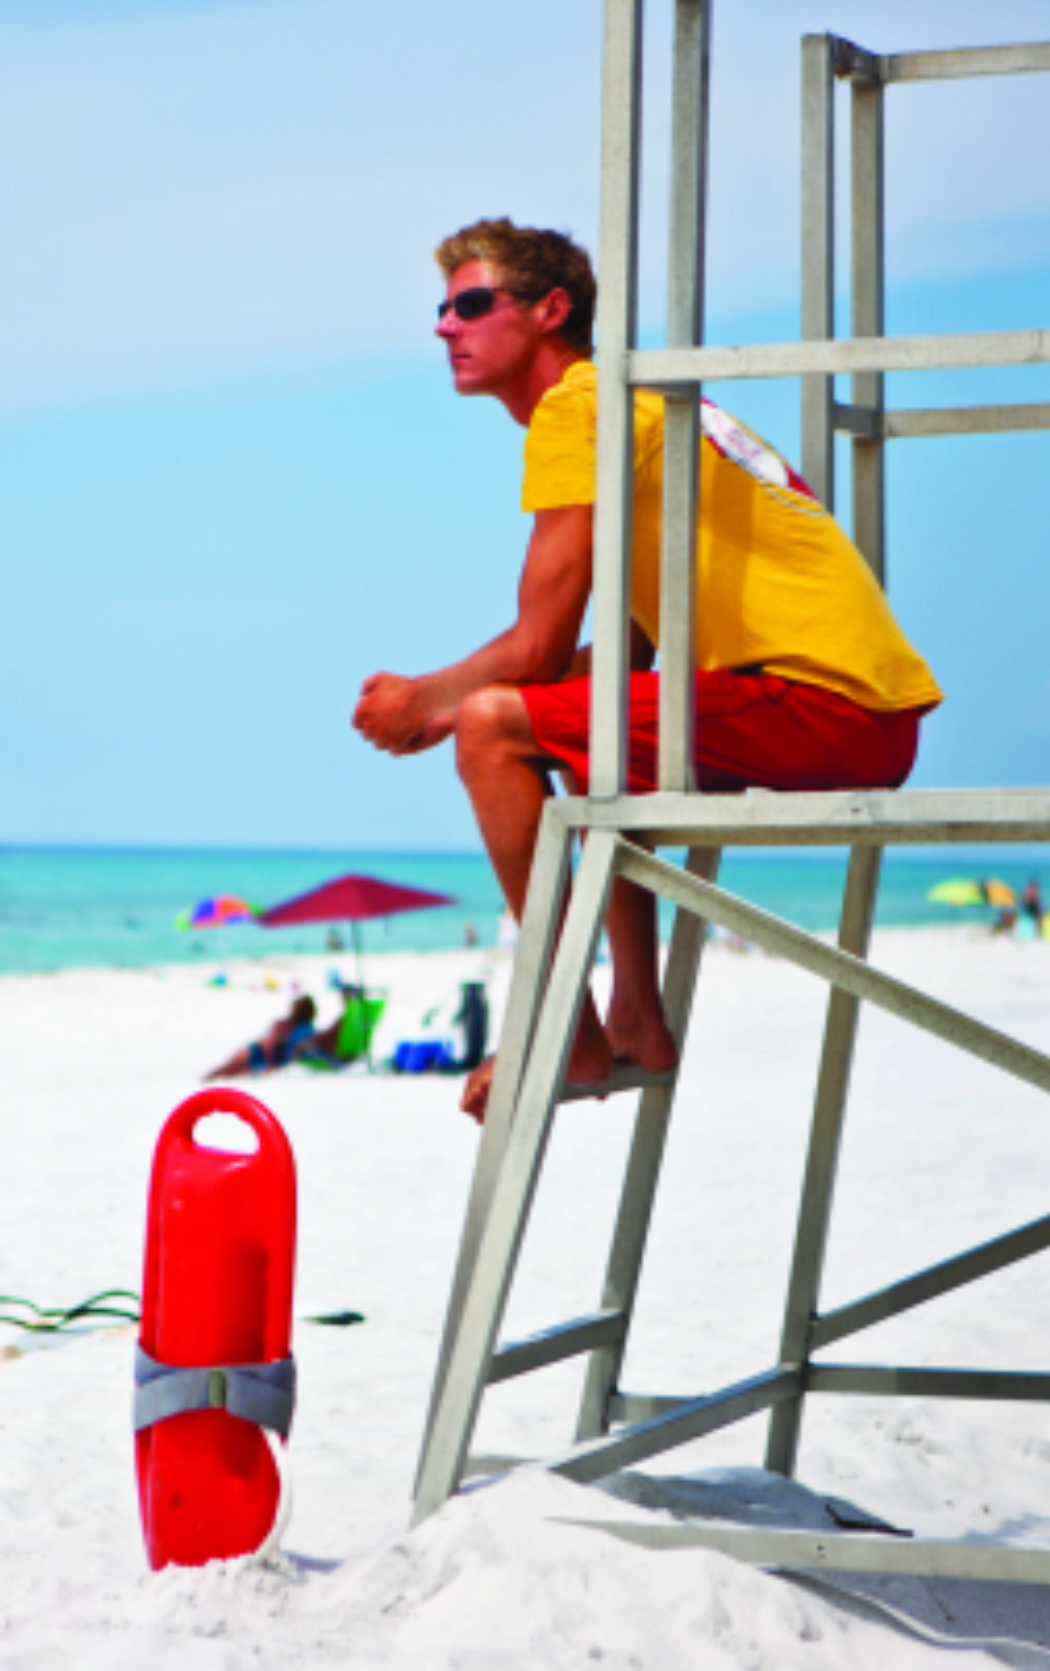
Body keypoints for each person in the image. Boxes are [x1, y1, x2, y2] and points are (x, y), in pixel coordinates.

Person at [352, 218, 943, 1122]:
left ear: (551, 311)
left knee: (490, 727)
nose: (445, 326)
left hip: (821, 703)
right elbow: (614, 661)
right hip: (852, 706)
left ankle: (567, 1030)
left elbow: (540, 644)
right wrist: (467, 704)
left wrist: (428, 700)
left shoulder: (575, 408)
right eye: (440, 310)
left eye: (471, 304)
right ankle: (632, 1014)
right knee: (563, 722)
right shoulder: (632, 408)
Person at [203, 996, 322, 1081]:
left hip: (258, 1049)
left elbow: (272, 1042)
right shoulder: (307, 1029)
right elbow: (300, 1051)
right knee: (229, 1071)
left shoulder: (283, 1024)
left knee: (226, 1070)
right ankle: (206, 1080)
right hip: (267, 1055)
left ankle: (205, 1080)